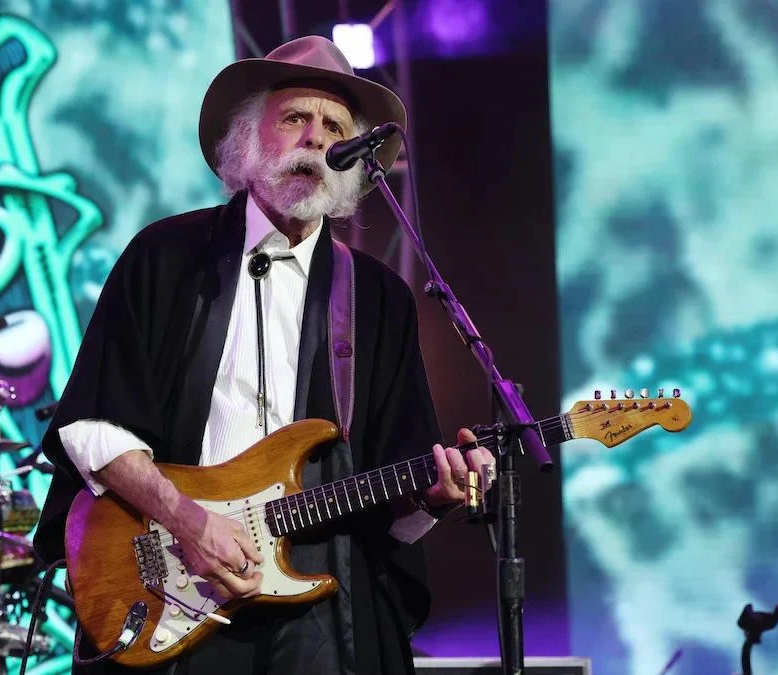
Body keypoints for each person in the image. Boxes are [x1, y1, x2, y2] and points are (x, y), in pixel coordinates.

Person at [33, 36, 496, 675]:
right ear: (247, 142)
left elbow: (393, 491)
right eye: (294, 119)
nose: (315, 138)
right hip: (175, 587)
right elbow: (92, 425)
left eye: (334, 126)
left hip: (322, 609)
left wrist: (434, 498)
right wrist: (188, 521)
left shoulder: (378, 297)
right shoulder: (166, 257)